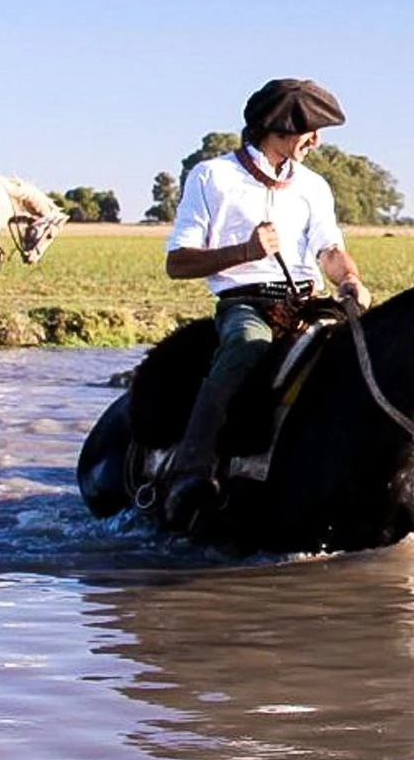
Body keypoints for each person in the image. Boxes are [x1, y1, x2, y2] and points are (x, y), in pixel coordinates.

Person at [159, 77, 372, 521]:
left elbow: (328, 250)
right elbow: (177, 263)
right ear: (277, 127)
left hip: (310, 301)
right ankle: (191, 470)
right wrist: (246, 253)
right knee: (245, 347)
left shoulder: (314, 186)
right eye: (310, 130)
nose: (316, 141)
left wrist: (349, 279)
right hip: (246, 304)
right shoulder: (212, 176)